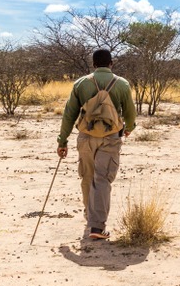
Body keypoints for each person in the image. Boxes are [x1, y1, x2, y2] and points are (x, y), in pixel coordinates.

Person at [57, 49, 137, 240]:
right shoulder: (122, 84)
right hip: (110, 138)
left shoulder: (81, 83)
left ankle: (89, 215)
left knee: (87, 177)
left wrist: (63, 140)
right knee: (102, 179)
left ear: (93, 64)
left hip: (85, 137)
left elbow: (70, 114)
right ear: (112, 63)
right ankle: (97, 227)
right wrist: (129, 129)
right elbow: (130, 113)